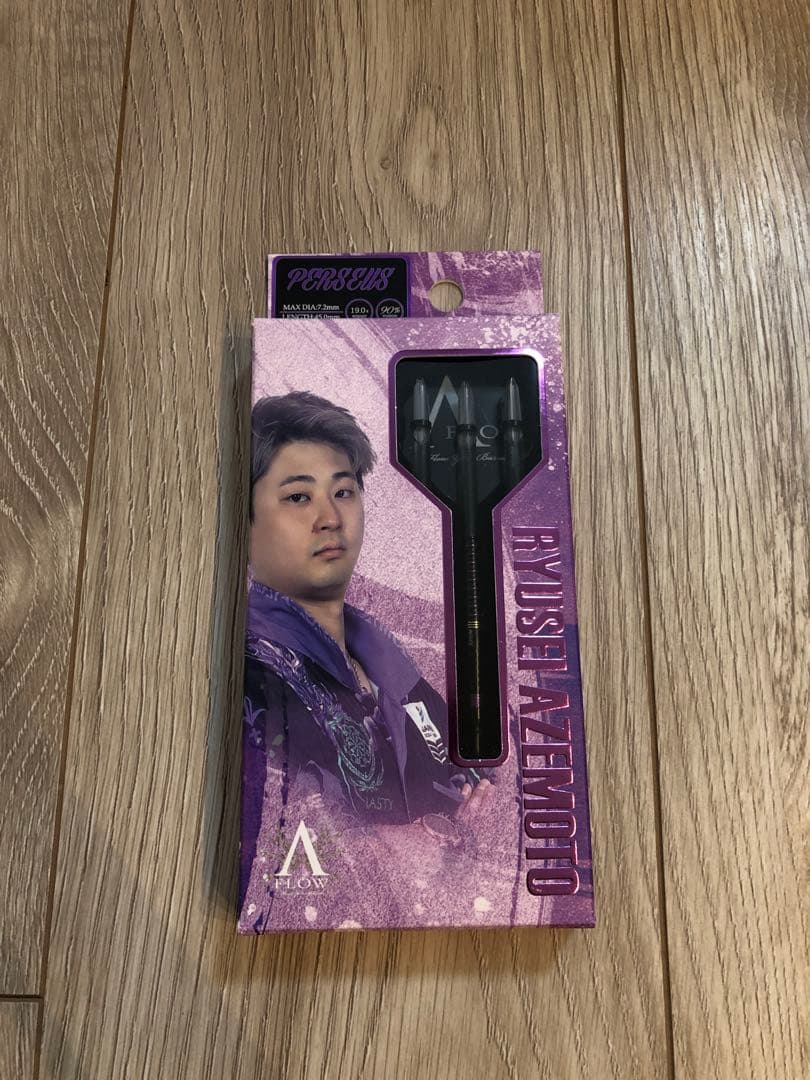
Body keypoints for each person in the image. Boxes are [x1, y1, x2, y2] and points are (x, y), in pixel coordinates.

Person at [240, 391, 494, 899]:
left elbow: (461, 767)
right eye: (298, 497)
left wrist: (469, 806)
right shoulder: (253, 677)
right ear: (245, 520)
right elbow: (271, 841)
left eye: (344, 491)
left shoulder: (383, 656)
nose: (330, 517)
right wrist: (383, 847)